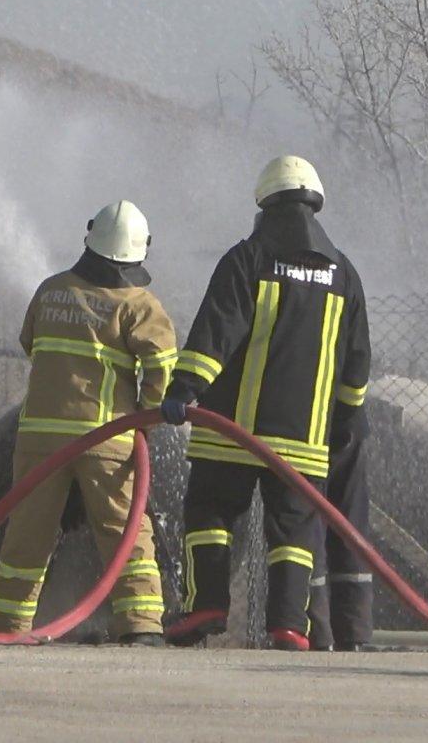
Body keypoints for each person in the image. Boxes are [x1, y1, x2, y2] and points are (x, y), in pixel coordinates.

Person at [161, 156, 370, 651]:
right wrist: (340, 423)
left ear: (265, 202)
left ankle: (207, 603)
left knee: (211, 511)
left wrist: (183, 388)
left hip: (230, 433)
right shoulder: (344, 274)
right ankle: (288, 625)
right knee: (295, 530)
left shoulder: (248, 257)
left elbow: (218, 330)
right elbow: (356, 367)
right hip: (303, 441)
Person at [0, 200, 177, 646]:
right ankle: (141, 625)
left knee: (27, 535)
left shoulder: (51, 290)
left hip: (38, 435)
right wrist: (145, 417)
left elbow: (31, 344)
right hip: (105, 435)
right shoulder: (139, 305)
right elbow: (163, 367)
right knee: (125, 529)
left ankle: (6, 629)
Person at [308, 406, 373, 651]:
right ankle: (352, 631)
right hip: (348, 422)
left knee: (306, 523)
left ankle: (317, 633)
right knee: (349, 524)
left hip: (306, 426)